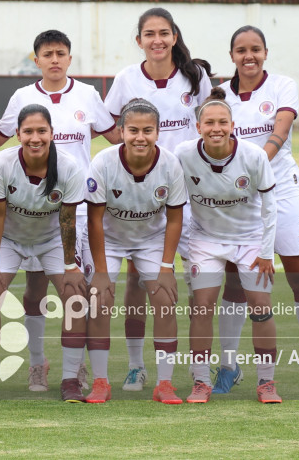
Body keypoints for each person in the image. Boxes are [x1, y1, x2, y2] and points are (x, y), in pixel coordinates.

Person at [0, 30, 119, 393]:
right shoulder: (21, 97)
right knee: (33, 293)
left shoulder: (88, 95)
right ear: (36, 60)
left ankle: (76, 369)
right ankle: (37, 364)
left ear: (69, 58)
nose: (54, 60)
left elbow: (115, 137)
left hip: (73, 211)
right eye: (47, 54)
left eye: (61, 53)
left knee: (75, 291)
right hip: (28, 211)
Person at [215, 26, 299, 397]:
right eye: (240, 50)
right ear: (232, 55)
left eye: (255, 49)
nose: (248, 56)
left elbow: (280, 130)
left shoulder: (282, 85)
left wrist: (256, 167)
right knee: (234, 283)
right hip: (239, 197)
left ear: (265, 52)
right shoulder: (219, 94)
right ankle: (228, 367)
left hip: (281, 190)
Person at [103, 7, 212, 391]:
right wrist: (135, 162)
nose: (157, 40)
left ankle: (206, 368)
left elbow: (208, 123)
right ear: (139, 41)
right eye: (149, 34)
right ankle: (137, 366)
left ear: (174, 37)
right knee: (138, 281)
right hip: (144, 197)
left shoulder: (195, 78)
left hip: (189, 191)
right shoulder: (126, 78)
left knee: (202, 278)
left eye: (164, 33)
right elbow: (110, 127)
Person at [174, 88, 281, 404]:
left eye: (222, 122)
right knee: (201, 307)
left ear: (233, 125)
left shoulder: (254, 155)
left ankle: (266, 382)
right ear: (198, 127)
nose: (216, 128)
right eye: (209, 123)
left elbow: (270, 206)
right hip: (205, 239)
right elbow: (171, 201)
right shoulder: (182, 154)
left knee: (261, 308)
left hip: (249, 239)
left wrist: (265, 252)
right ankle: (201, 382)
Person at [0, 104, 87, 403]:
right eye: (28, 131)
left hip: (51, 238)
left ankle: (70, 377)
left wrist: (70, 265)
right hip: (11, 239)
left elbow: (67, 219)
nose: (35, 137)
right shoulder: (1, 165)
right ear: (17, 134)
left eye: (42, 131)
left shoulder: (68, 167)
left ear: (52, 133)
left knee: (75, 296)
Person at [84, 98, 186, 405]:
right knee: (98, 300)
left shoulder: (170, 164)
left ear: (158, 132)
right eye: (133, 130)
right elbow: (94, 220)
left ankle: (164, 384)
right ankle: (101, 381)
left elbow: (175, 218)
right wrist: (101, 273)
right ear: (121, 130)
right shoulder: (103, 162)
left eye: (147, 130)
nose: (140, 137)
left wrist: (167, 267)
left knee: (165, 300)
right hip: (111, 241)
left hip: (151, 239)